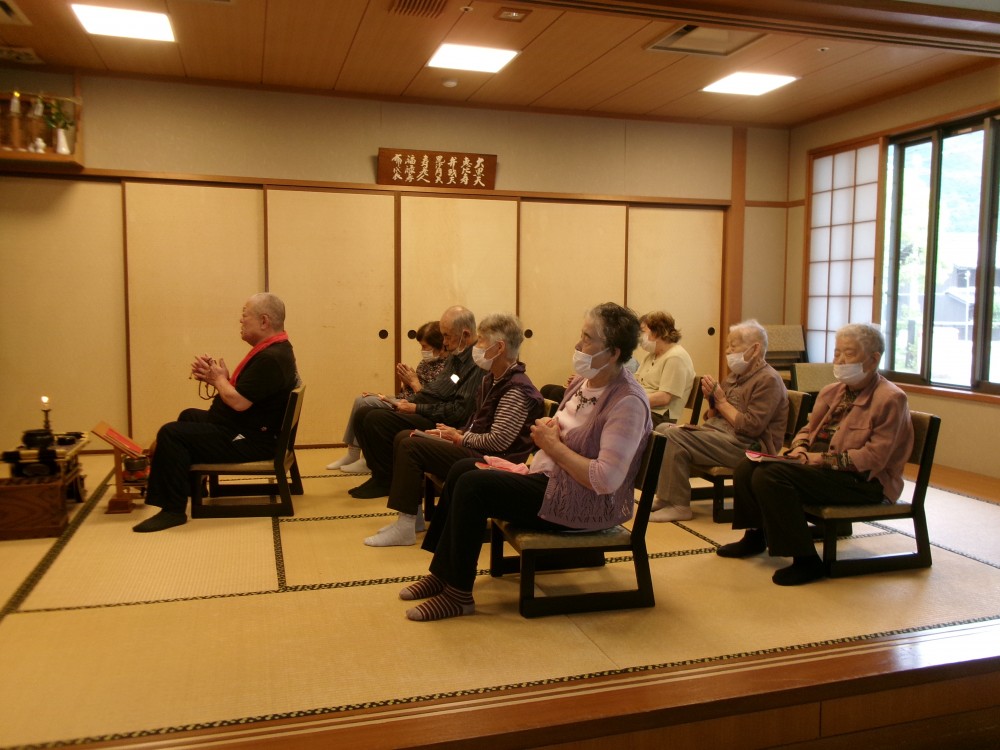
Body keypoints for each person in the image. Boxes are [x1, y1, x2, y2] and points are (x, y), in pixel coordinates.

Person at [400, 302, 651, 622]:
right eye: (581, 335)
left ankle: (458, 594)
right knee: (462, 468)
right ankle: (443, 574)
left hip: (584, 502)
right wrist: (552, 434)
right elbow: (562, 430)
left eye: (587, 339)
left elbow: (605, 479)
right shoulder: (583, 383)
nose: (578, 345)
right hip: (550, 479)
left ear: (613, 353)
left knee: (474, 486)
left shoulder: (627, 401)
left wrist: (553, 446)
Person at [716, 323, 914, 586]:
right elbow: (807, 429)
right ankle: (755, 536)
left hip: (864, 482)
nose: (840, 360)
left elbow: (873, 458)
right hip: (821, 471)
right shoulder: (833, 390)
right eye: (837, 353)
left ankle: (806, 559)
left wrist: (816, 460)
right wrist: (799, 448)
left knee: (771, 476)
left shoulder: (891, 398)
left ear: (874, 358)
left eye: (849, 354)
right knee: (748, 465)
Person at [363, 313, 544, 547]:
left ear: (499, 348)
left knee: (410, 444)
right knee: (403, 437)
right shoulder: (493, 379)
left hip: (495, 459)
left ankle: (405, 527)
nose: (476, 348)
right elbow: (475, 420)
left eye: (481, 342)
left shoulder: (517, 389)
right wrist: (452, 432)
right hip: (474, 445)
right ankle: (412, 517)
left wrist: (459, 438)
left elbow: (499, 443)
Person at [132, 293, 299, 533]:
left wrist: (219, 380)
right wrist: (220, 379)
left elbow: (239, 403)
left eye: (244, 316)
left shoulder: (271, 358)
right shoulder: (276, 350)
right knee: (188, 415)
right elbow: (249, 394)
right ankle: (193, 490)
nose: (240, 321)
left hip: (252, 440)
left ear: (264, 321)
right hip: (246, 428)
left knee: (171, 433)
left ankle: (172, 510)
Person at [649, 318, 787, 523]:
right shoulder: (735, 376)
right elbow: (714, 418)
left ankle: (679, 505)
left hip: (749, 446)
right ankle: (667, 497)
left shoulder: (768, 380)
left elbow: (751, 427)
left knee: (674, 436)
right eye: (728, 346)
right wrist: (712, 402)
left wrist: (721, 402)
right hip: (721, 436)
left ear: (755, 349)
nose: (728, 351)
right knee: (662, 428)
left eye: (734, 345)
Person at [348, 305, 479, 499]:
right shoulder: (456, 357)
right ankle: (379, 475)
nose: (444, 343)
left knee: (377, 420)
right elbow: (438, 389)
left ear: (465, 334)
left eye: (447, 336)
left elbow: (458, 412)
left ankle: (386, 480)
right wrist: (401, 402)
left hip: (449, 424)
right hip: (436, 411)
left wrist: (417, 407)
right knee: (363, 412)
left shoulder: (477, 362)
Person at [325, 320, 446, 473]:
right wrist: (405, 383)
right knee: (361, 398)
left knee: (364, 403)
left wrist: (414, 383)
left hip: (415, 407)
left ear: (440, 346)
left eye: (425, 347)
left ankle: (365, 459)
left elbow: (428, 400)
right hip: (405, 399)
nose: (422, 351)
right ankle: (353, 453)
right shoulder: (425, 363)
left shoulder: (447, 368)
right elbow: (408, 392)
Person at [636, 311, 695, 426]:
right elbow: (635, 382)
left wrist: (633, 403)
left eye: (642, 331)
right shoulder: (651, 356)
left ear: (657, 332)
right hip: (643, 409)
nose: (639, 337)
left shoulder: (676, 357)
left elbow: (664, 398)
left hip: (659, 416)